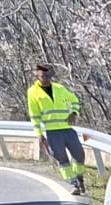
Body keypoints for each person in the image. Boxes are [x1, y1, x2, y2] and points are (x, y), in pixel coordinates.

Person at [27, 63, 85, 196]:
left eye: (48, 75)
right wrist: (39, 134)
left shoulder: (60, 88)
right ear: (37, 75)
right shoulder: (33, 92)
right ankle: (73, 183)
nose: (46, 78)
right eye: (43, 76)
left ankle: (79, 177)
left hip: (67, 129)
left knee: (79, 155)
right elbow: (34, 115)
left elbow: (75, 100)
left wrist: (74, 113)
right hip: (52, 132)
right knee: (62, 159)